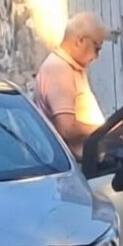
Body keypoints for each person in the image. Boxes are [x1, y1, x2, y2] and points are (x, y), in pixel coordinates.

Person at [34, 12, 109, 159]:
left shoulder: (70, 67)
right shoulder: (59, 70)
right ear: (80, 40)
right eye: (97, 48)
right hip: (80, 166)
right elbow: (67, 128)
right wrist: (106, 129)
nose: (97, 56)